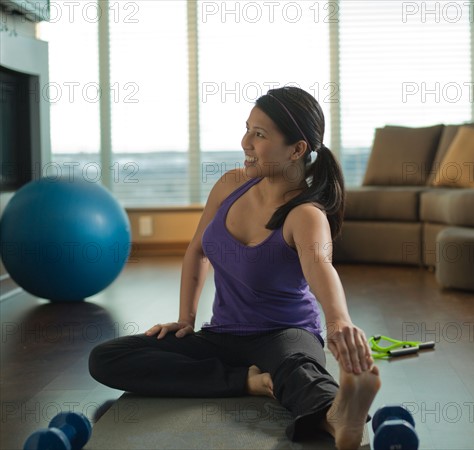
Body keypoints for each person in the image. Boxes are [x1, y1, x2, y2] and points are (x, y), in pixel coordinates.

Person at [89, 86, 380, 450]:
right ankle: (246, 381)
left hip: (284, 333)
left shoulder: (305, 214)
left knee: (297, 370)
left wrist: (338, 321)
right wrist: (185, 319)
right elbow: (197, 252)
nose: (245, 142)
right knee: (108, 357)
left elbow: (320, 266)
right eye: (247, 129)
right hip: (222, 336)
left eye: (259, 134)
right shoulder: (230, 185)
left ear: (297, 149)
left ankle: (337, 416)